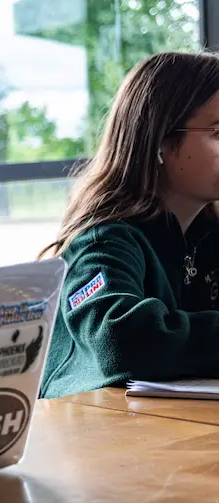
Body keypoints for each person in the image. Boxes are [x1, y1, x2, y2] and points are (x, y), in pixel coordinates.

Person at [39, 50, 219, 399]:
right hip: (94, 433)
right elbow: (120, 338)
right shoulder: (103, 240)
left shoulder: (207, 234)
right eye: (218, 132)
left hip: (172, 428)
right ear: (162, 141)